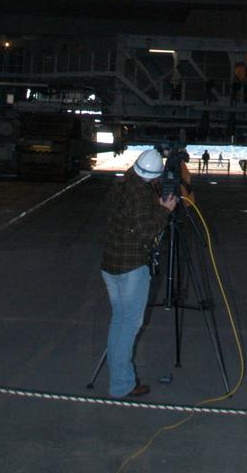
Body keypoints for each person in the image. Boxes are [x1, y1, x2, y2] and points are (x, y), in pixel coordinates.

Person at [99, 148, 177, 399]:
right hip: (130, 267)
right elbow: (146, 232)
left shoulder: (123, 185)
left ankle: (119, 380)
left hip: (111, 264)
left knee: (119, 322)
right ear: (155, 176)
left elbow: (130, 220)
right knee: (129, 325)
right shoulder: (142, 194)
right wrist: (165, 210)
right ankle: (122, 386)